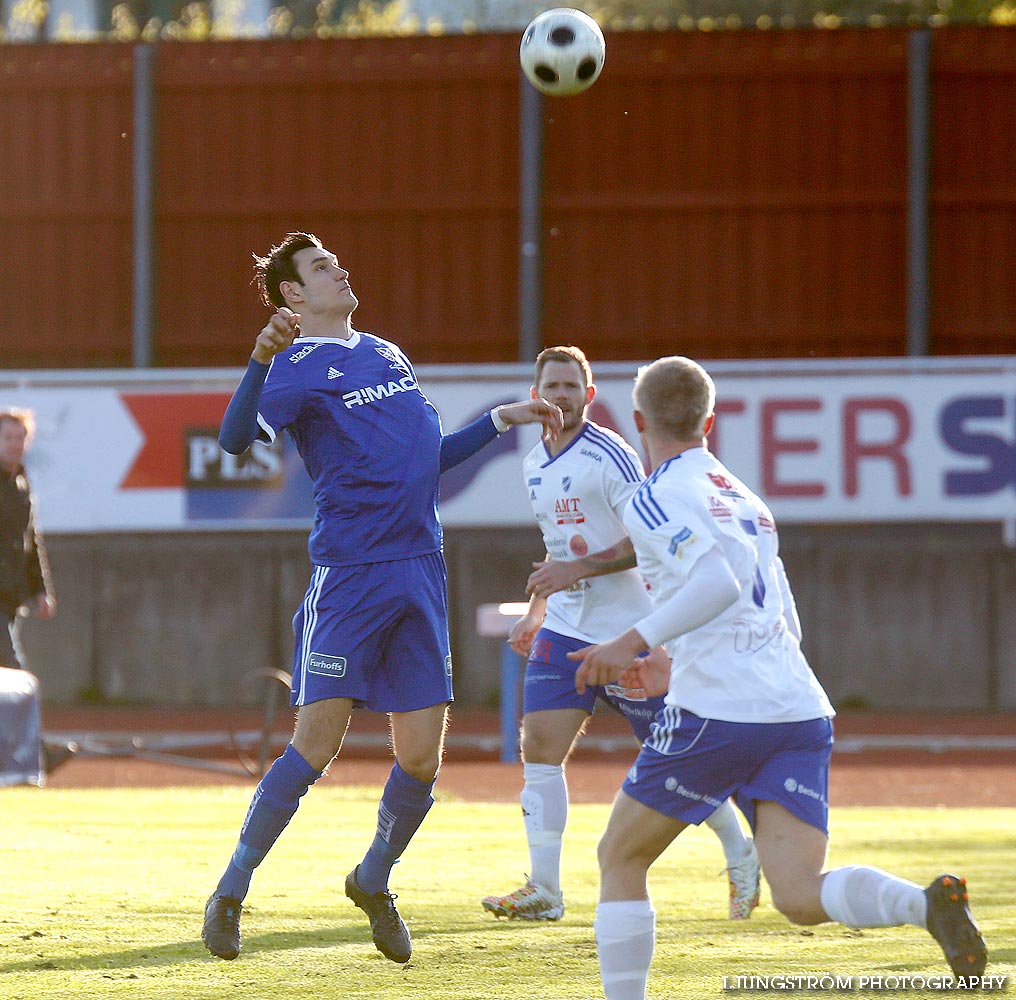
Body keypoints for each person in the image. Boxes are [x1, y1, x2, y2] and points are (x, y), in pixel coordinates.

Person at [567, 356, 988, 1000]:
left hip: (718, 713)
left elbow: (716, 583)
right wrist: (673, 661)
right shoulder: (745, 498)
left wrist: (632, 641)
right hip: (795, 709)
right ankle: (925, 905)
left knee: (620, 857)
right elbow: (778, 615)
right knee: (797, 894)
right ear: (710, 421)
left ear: (637, 420)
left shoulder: (655, 495)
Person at [201, 232, 563, 965]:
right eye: (322, 267)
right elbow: (236, 440)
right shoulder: (296, 367)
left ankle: (372, 879)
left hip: (421, 571)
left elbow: (426, 462)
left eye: (337, 259)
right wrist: (259, 356)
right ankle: (231, 890)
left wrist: (499, 422)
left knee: (423, 760)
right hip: (352, 575)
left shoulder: (387, 354)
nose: (341, 268)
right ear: (294, 297)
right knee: (316, 745)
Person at [480, 347, 759, 924]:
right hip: (566, 627)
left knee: (677, 757)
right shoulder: (534, 461)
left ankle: (740, 849)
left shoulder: (610, 454)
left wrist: (577, 572)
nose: (558, 396)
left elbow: (647, 536)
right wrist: (538, 609)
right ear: (535, 394)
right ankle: (546, 889)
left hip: (629, 633)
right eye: (549, 386)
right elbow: (560, 551)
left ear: (588, 394)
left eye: (569, 386)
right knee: (539, 749)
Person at [0, 409, 74, 778]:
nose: (15, 444)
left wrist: (41, 590)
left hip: (9, 601)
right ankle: (38, 753)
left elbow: (31, 542)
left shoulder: (22, 485)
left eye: (19, 437)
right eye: (7, 437)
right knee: (14, 674)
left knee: (8, 677)